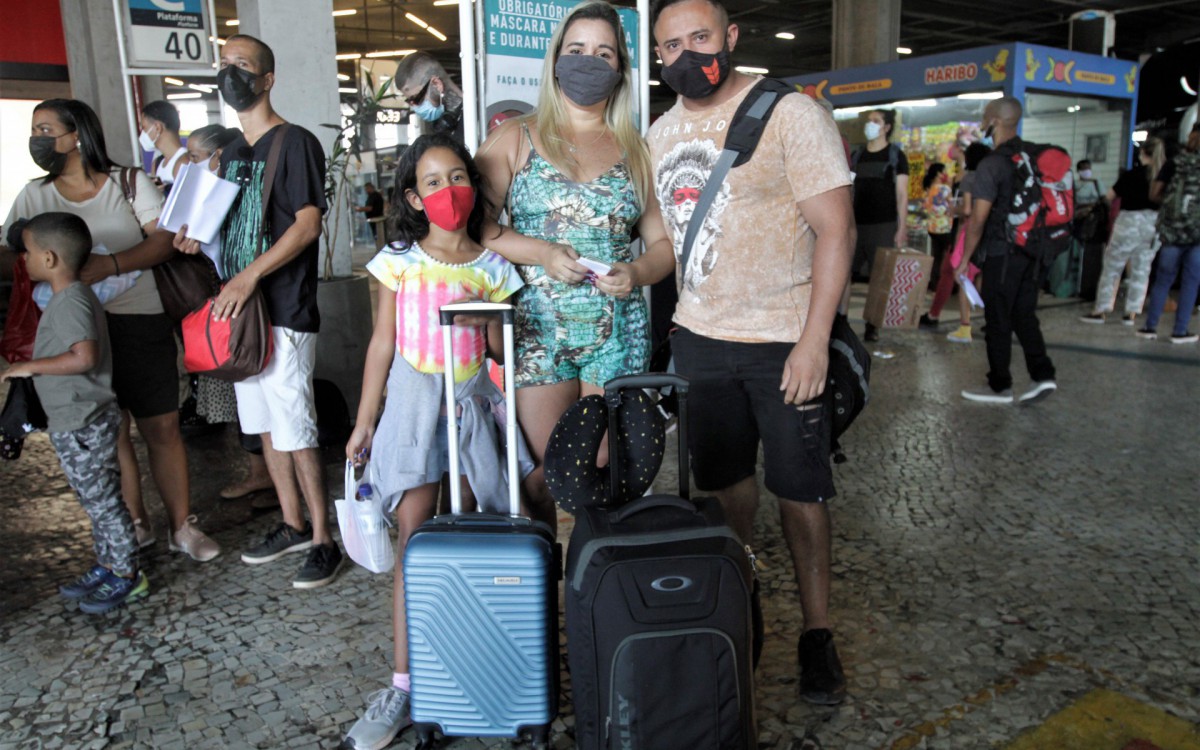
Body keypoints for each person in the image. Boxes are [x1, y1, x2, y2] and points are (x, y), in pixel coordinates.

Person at [617, 0, 855, 706]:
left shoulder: (791, 114)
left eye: (700, 38)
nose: (687, 54)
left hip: (784, 338)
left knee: (801, 492)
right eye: (670, 46)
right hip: (699, 339)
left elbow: (836, 232)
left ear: (731, 37)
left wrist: (814, 341)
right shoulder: (659, 134)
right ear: (657, 59)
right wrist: (633, 274)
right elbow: (665, 242)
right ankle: (739, 592)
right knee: (727, 487)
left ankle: (817, 633)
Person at [340, 134, 525, 749]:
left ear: (473, 188)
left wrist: (485, 323)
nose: (448, 190)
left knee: (477, 529)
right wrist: (366, 419)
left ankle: (474, 668)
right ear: (415, 198)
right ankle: (404, 682)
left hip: (472, 408)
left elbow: (502, 354)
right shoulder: (401, 261)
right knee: (414, 537)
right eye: (433, 181)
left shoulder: (495, 268)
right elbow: (382, 345)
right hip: (415, 408)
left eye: (457, 177)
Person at [474, 0, 673, 534]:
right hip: (541, 327)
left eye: (603, 52)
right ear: (556, 58)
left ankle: (596, 590)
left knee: (606, 469)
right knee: (549, 474)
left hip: (616, 329)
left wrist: (637, 272)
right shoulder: (516, 136)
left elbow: (661, 246)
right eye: (577, 49)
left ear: (621, 67)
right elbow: (478, 228)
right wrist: (541, 252)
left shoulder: (637, 150)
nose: (589, 61)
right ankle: (546, 582)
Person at [4, 98, 219, 561]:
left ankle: (182, 526)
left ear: (77, 134)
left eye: (47, 129)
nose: (38, 138)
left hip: (139, 318)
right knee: (112, 429)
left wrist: (110, 265)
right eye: (35, 130)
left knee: (161, 425)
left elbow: (164, 239)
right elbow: (11, 254)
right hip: (77, 330)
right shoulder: (32, 195)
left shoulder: (126, 182)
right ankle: (134, 524)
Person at [175, 34, 340, 587]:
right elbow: (240, 230)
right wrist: (200, 241)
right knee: (266, 427)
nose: (232, 75)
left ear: (267, 79)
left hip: (283, 310)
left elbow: (306, 223)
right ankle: (292, 523)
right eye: (225, 65)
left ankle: (323, 538)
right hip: (244, 314)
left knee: (297, 428)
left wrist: (248, 277)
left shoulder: (292, 143)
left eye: (243, 66)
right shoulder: (237, 155)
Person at [1, 213, 148, 614]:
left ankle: (126, 573)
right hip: (76, 420)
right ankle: (108, 563)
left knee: (102, 502)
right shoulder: (71, 297)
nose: (23, 259)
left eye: (27, 251)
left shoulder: (72, 302)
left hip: (84, 421)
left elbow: (84, 357)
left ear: (49, 258)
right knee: (94, 498)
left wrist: (30, 366)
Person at [181, 124, 276, 502]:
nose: (190, 166)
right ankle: (265, 475)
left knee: (257, 394)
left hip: (245, 307)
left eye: (194, 158)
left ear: (219, 157)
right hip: (227, 305)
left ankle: (270, 478)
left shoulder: (234, 196)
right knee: (246, 398)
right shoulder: (208, 200)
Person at [955, 97, 1057, 405]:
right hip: (1033, 249)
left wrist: (964, 260)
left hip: (1003, 250)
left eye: (985, 118)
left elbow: (978, 219)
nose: (982, 124)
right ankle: (1043, 375)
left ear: (996, 121)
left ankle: (999, 385)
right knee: (1024, 312)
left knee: (997, 316)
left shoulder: (992, 163)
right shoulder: (1031, 156)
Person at [1079, 137, 1166, 326]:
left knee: (1112, 267)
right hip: (1152, 224)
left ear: (1143, 153)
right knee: (1141, 270)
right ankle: (1131, 313)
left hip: (1128, 222)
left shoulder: (1131, 175)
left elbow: (1110, 196)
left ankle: (1101, 310)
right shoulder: (1162, 177)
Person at [1138, 125, 1200, 343]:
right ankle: (1180, 331)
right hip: (1197, 235)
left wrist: (1172, 209)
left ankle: (1149, 327)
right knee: (1191, 282)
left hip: (1172, 232)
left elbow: (1154, 193)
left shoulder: (1174, 163)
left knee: (1163, 280)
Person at [851, 108, 909, 342]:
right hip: (855, 224)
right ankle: (841, 320)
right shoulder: (857, 155)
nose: (870, 125)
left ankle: (872, 326)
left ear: (886, 128)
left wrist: (901, 227)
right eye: (868, 121)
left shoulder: (896, 156)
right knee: (845, 274)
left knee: (880, 279)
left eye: (875, 121)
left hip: (883, 225)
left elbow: (902, 194)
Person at [924, 142, 989, 343]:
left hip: (967, 233)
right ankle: (988, 320)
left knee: (961, 276)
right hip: (987, 235)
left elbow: (968, 210)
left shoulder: (970, 178)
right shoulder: (989, 178)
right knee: (979, 277)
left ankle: (964, 326)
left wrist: (955, 210)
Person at [393, 51, 464, 139]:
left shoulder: (478, 121)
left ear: (436, 84)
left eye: (416, 98)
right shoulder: (446, 127)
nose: (415, 106)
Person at [920, 162, 954, 294]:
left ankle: (934, 282)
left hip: (932, 227)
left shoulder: (929, 188)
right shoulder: (944, 189)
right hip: (945, 227)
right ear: (938, 173)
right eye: (943, 171)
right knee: (947, 256)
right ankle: (945, 284)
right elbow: (951, 204)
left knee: (937, 256)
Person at [139, 100, 187, 192]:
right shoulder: (157, 163)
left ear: (158, 127)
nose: (142, 134)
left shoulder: (184, 162)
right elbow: (157, 195)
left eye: (144, 128)